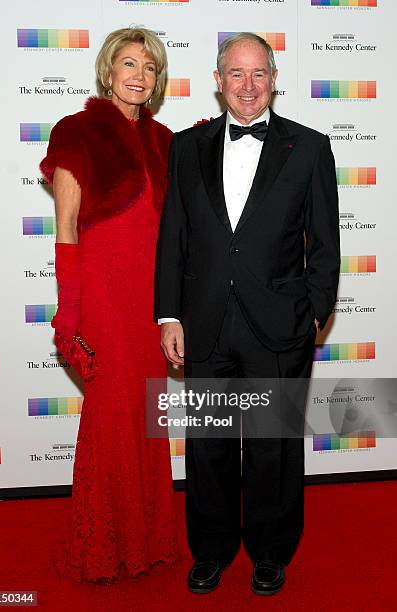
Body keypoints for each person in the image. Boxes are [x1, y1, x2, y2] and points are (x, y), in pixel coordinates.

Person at [155, 32, 340, 595]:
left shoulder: (308, 147)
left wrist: (313, 313)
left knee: (271, 448)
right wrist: (169, 315)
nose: (248, 86)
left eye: (259, 73)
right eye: (236, 74)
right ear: (218, 81)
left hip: (278, 326)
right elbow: (174, 238)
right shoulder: (187, 149)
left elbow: (325, 244)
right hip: (205, 323)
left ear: (274, 79)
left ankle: (270, 551)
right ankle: (210, 550)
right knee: (208, 447)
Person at [40, 27, 179, 583]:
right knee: (112, 413)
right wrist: (69, 313)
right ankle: (101, 547)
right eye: (128, 63)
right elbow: (67, 226)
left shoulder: (165, 140)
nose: (138, 76)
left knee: (148, 414)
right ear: (107, 69)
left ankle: (143, 541)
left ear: (157, 79)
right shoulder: (77, 131)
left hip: (151, 298)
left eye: (149, 67)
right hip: (103, 293)